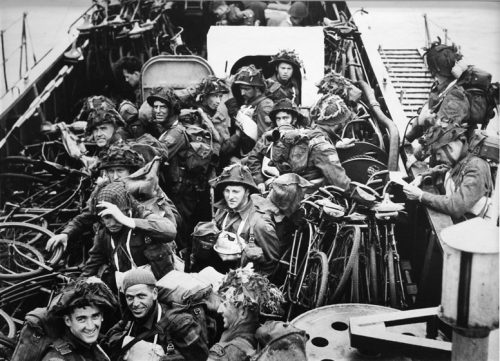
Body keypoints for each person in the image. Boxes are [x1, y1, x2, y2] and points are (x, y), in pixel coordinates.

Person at [46, 143, 179, 255]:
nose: (115, 176)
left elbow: (166, 229)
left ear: (132, 171)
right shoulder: (108, 190)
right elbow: (88, 215)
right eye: (111, 171)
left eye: (120, 170)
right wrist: (66, 234)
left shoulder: (147, 191)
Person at [81, 181, 177, 287]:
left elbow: (170, 231)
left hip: (160, 287)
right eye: (107, 217)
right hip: (126, 293)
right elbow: (91, 267)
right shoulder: (103, 235)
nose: (112, 223)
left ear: (128, 211)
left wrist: (126, 220)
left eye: (116, 216)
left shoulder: (142, 216)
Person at [246, 98, 352, 192]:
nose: (282, 122)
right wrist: (259, 181)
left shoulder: (305, 135)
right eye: (278, 119)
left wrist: (335, 146)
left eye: (285, 118)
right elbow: (253, 158)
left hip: (300, 186)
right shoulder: (269, 137)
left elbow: (315, 151)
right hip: (274, 184)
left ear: (294, 119)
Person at [103, 268, 209, 361]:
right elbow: (106, 343)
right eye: (130, 297)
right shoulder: (129, 320)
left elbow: (201, 357)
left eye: (141, 296)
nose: (135, 304)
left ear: (154, 294)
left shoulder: (180, 324)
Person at [403, 124, 493, 222]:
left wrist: (421, 195)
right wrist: (422, 177)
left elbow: (456, 206)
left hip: (478, 229)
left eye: (439, 154)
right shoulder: (463, 159)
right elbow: (444, 169)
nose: (437, 158)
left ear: (450, 148)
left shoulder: (476, 167)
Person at [405, 40, 470, 155]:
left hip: (449, 156)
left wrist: (416, 156)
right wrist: (408, 138)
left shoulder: (455, 97)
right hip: (438, 149)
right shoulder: (442, 88)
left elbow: (442, 134)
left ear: (434, 69)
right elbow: (429, 117)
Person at [208, 264, 285, 361]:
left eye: (225, 305)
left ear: (243, 312)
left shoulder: (227, 351)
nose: (219, 310)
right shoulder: (260, 335)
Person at [41, 280, 118, 361]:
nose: (90, 326)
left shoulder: (92, 344)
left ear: (102, 316)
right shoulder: (57, 358)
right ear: (68, 321)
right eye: (81, 319)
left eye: (95, 316)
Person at [231, 65, 274, 154]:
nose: (242, 93)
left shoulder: (264, 105)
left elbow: (264, 140)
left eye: (246, 89)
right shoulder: (251, 103)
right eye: (241, 89)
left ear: (257, 88)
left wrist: (249, 159)